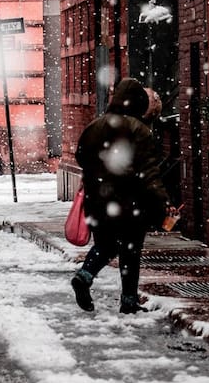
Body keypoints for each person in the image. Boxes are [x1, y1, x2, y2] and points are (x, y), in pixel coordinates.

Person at [71, 77, 172, 314]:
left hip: (96, 199)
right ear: (138, 103)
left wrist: (99, 174)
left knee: (105, 245)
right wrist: (162, 201)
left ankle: (85, 276)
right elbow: (150, 173)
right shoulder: (140, 130)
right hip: (129, 202)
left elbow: (81, 157)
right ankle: (127, 300)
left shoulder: (94, 126)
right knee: (130, 249)